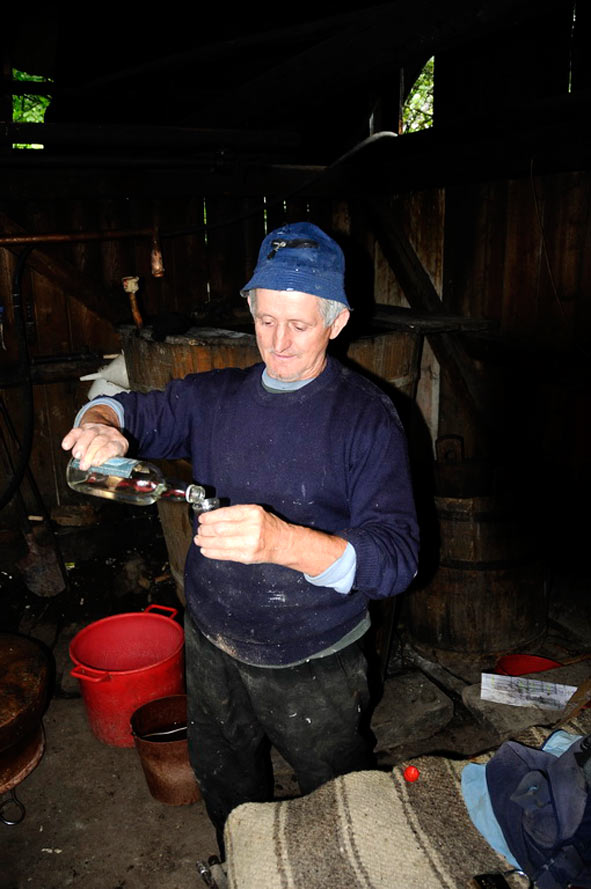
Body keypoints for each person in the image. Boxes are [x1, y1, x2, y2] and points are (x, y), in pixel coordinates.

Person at [62, 222, 419, 853]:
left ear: (336, 323)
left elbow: (396, 561)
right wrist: (102, 421)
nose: (279, 343)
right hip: (211, 642)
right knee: (224, 780)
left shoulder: (369, 418)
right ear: (251, 311)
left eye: (300, 325)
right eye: (266, 320)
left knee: (340, 798)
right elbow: (132, 409)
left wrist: (285, 542)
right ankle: (241, 861)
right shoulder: (214, 397)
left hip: (315, 656)